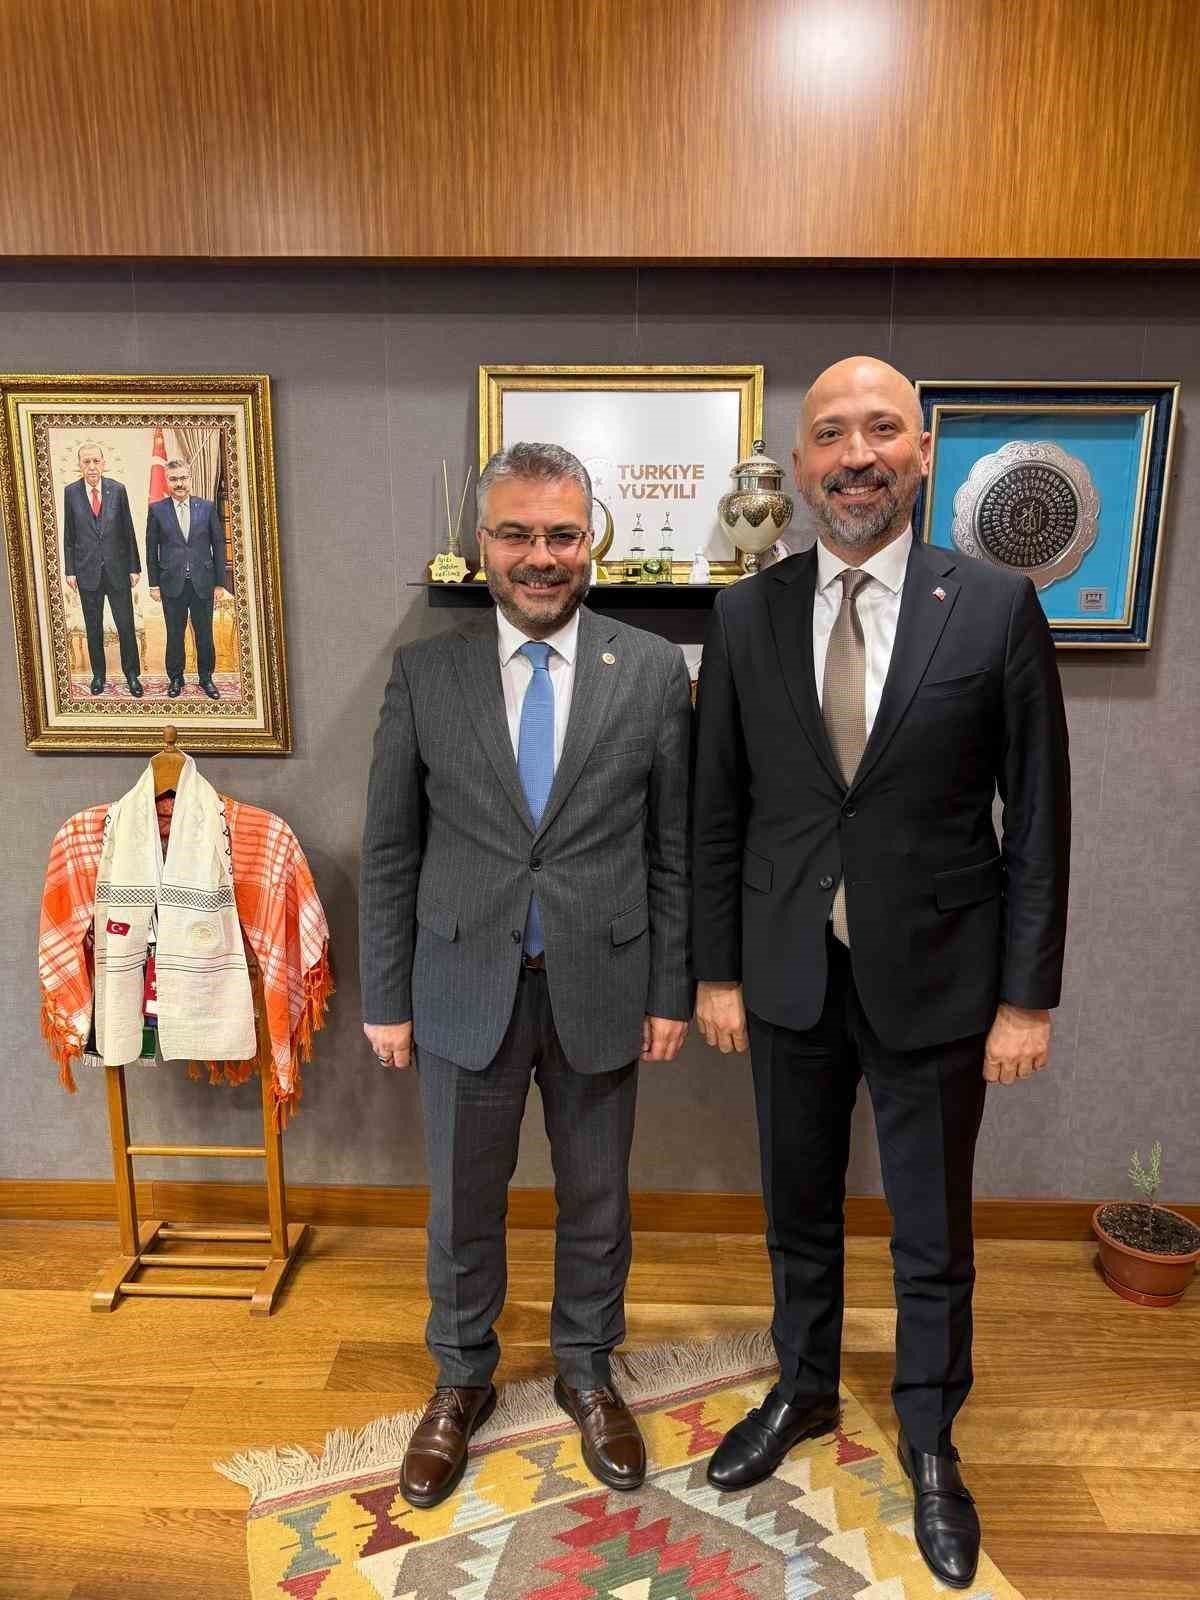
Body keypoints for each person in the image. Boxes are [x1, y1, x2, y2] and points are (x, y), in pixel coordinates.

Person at [692, 357, 1070, 1589]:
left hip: (943, 976)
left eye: (881, 429)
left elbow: (1039, 817)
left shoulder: (996, 605)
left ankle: (931, 1436)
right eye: (829, 434)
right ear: (799, 465)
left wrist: (1027, 996)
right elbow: (716, 811)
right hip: (786, 970)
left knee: (932, 1228)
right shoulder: (745, 615)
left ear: (921, 451)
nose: (855, 454)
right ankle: (802, 1386)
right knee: (796, 1208)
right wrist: (714, 972)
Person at [360, 441, 692, 1509]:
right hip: (463, 985)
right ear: (483, 544)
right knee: (463, 1204)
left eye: (560, 534)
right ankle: (461, 1378)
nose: (540, 556)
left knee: (597, 1201)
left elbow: (674, 849)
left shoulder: (652, 670)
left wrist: (670, 989)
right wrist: (385, 998)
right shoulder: (426, 675)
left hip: (604, 982)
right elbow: (391, 848)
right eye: (516, 533)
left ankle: (588, 1370)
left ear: (590, 540)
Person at [62, 444, 143, 697]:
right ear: (80, 465)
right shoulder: (71, 492)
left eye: (96, 461)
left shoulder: (117, 490)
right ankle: (98, 675)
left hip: (117, 570)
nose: (91, 467)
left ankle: (132, 675)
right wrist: (70, 570)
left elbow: (128, 530)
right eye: (86, 462)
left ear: (103, 463)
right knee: (93, 627)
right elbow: (69, 535)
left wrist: (134, 567)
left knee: (126, 625)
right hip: (87, 572)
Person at [146, 459, 227, 699]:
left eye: (183, 478)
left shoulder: (207, 507)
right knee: (175, 635)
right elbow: (151, 549)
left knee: (205, 634)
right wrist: (153, 584)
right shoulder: (157, 510)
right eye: (174, 479)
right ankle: (175, 678)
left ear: (190, 479)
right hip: (171, 584)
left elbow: (218, 546)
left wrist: (220, 583)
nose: (179, 483)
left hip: (203, 583)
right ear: (167, 481)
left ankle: (206, 678)